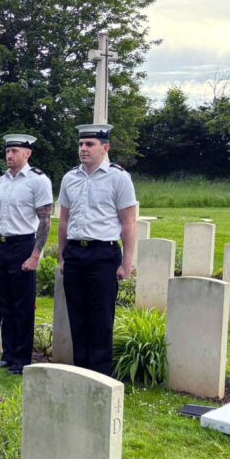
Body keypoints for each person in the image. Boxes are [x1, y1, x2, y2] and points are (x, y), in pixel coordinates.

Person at [58, 123, 138, 376]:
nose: (83, 149)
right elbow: (64, 219)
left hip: (103, 255)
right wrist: (61, 254)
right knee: (77, 316)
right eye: (81, 144)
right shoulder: (70, 177)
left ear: (105, 148)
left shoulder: (118, 178)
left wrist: (127, 262)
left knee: (101, 317)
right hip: (75, 254)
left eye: (89, 144)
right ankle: (81, 370)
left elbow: (129, 223)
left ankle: (101, 375)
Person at [0, 134, 53, 375]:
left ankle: (22, 359)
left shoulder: (37, 181)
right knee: (5, 305)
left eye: (14, 151)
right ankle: (9, 354)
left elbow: (45, 220)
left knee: (22, 305)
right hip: (2, 246)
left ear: (27, 153)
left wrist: (36, 254)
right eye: (7, 151)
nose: (9, 155)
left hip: (23, 245)